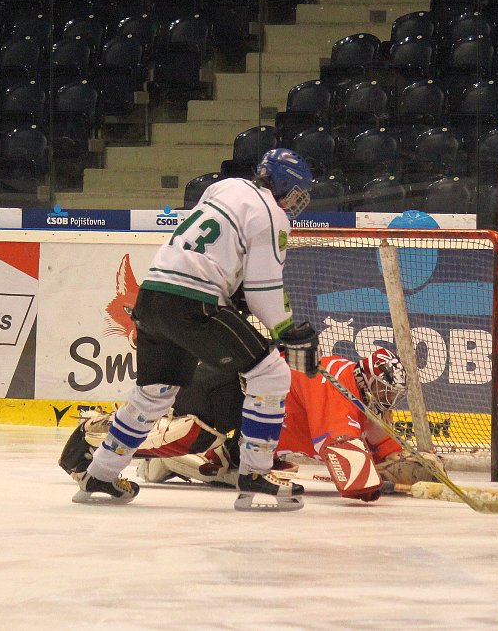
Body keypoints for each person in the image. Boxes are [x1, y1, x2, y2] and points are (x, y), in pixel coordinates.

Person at [70, 148, 318, 511]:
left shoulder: (226, 186)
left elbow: (210, 248)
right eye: (296, 193)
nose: (295, 202)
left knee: (154, 394)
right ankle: (255, 475)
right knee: (271, 373)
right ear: (284, 185)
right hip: (194, 302)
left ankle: (100, 474)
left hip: (152, 295)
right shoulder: (273, 215)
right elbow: (263, 289)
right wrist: (287, 330)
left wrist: (232, 286)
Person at [61, 348, 443, 503]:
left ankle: (170, 465)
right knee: (189, 437)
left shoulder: (365, 401)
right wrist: (388, 483)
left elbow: (388, 451)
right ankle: (94, 433)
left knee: (223, 467)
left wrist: (417, 465)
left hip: (253, 431)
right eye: (386, 389)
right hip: (228, 391)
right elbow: (357, 482)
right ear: (366, 378)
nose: (389, 398)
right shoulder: (339, 387)